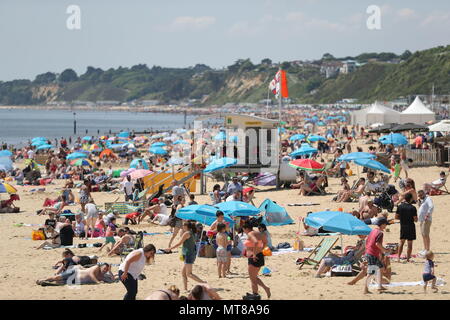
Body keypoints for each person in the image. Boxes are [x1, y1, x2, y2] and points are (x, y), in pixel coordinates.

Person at [166, 221, 206, 291]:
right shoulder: (192, 232)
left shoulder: (187, 233)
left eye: (184, 226)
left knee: (189, 274)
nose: (182, 227)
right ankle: (185, 289)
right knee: (183, 273)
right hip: (190, 253)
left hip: (188, 254)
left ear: (187, 227)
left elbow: (179, 243)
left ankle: (204, 283)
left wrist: (169, 248)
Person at [242, 222, 271, 298]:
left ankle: (255, 295)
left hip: (253, 257)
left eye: (243, 230)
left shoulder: (250, 234)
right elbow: (265, 242)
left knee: (252, 279)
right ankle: (266, 288)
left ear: (246, 228)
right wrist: (260, 250)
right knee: (254, 277)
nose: (244, 231)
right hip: (260, 256)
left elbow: (255, 242)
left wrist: (254, 254)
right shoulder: (259, 233)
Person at [364, 218, 391, 294]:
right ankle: (365, 290)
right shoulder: (380, 233)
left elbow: (367, 241)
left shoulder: (373, 231)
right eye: (385, 224)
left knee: (381, 268)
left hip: (370, 253)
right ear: (382, 224)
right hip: (372, 254)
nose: (386, 226)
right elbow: (377, 244)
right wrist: (385, 250)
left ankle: (379, 286)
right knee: (371, 273)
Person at [37, 264, 112, 286]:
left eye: (106, 269)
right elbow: (91, 274)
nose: (105, 270)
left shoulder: (102, 276)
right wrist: (97, 282)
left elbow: (112, 279)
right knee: (57, 277)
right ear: (101, 266)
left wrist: (110, 271)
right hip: (74, 272)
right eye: (104, 268)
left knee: (60, 282)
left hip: (76, 280)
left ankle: (46, 283)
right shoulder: (96, 268)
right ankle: (43, 279)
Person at [395, 193, 418, 262]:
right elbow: (415, 219)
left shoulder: (400, 206)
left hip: (403, 226)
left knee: (401, 242)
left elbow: (396, 217)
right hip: (411, 226)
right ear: (410, 199)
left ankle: (398, 257)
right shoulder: (413, 208)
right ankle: (408, 258)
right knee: (409, 244)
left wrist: (402, 218)